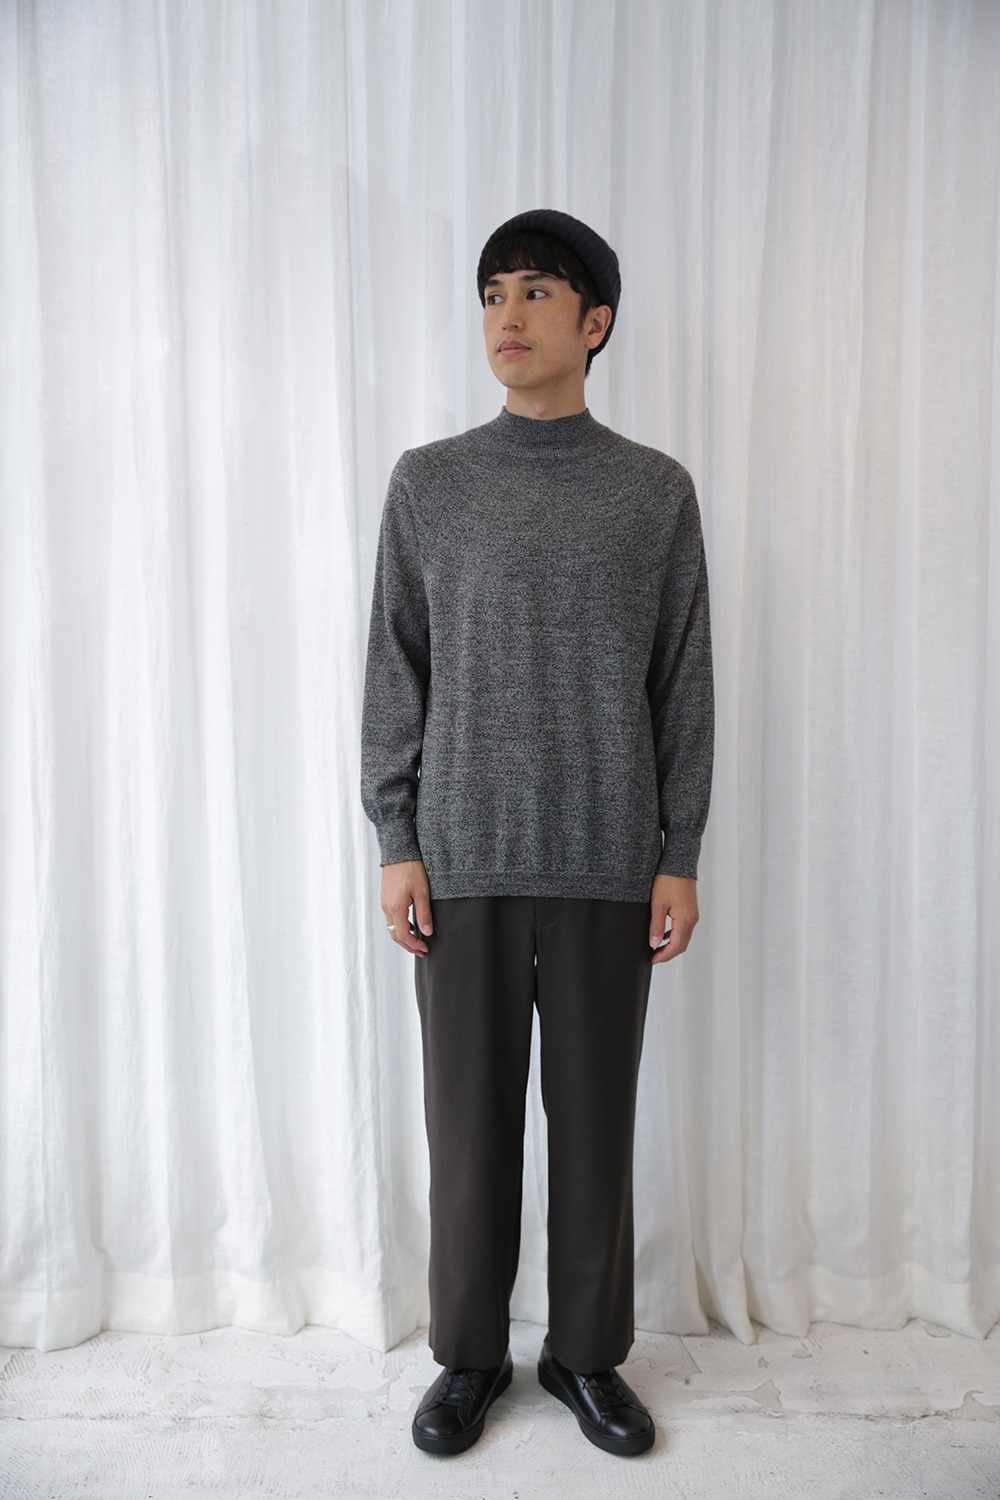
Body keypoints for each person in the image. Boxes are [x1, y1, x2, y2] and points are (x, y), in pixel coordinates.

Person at [360, 208, 714, 1458]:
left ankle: (584, 1356)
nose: (505, 317)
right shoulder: (430, 482)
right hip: (461, 858)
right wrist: (396, 837)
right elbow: (395, 669)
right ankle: (468, 1356)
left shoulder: (653, 493)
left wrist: (677, 854)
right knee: (466, 1131)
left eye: (534, 294)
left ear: (594, 322)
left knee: (595, 1127)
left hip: (609, 861)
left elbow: (682, 685)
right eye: (491, 295)